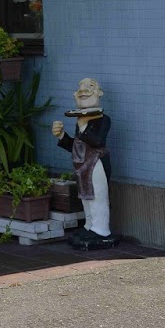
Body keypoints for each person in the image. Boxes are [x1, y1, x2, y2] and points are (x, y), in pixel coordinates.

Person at [51, 78, 116, 249]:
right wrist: (61, 136)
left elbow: (97, 141)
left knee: (97, 197)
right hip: (82, 165)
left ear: (99, 93)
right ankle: (90, 225)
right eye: (80, 87)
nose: (83, 90)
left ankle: (101, 229)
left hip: (97, 164)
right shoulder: (81, 119)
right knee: (86, 198)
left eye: (90, 86)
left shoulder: (103, 119)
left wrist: (83, 126)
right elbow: (76, 147)